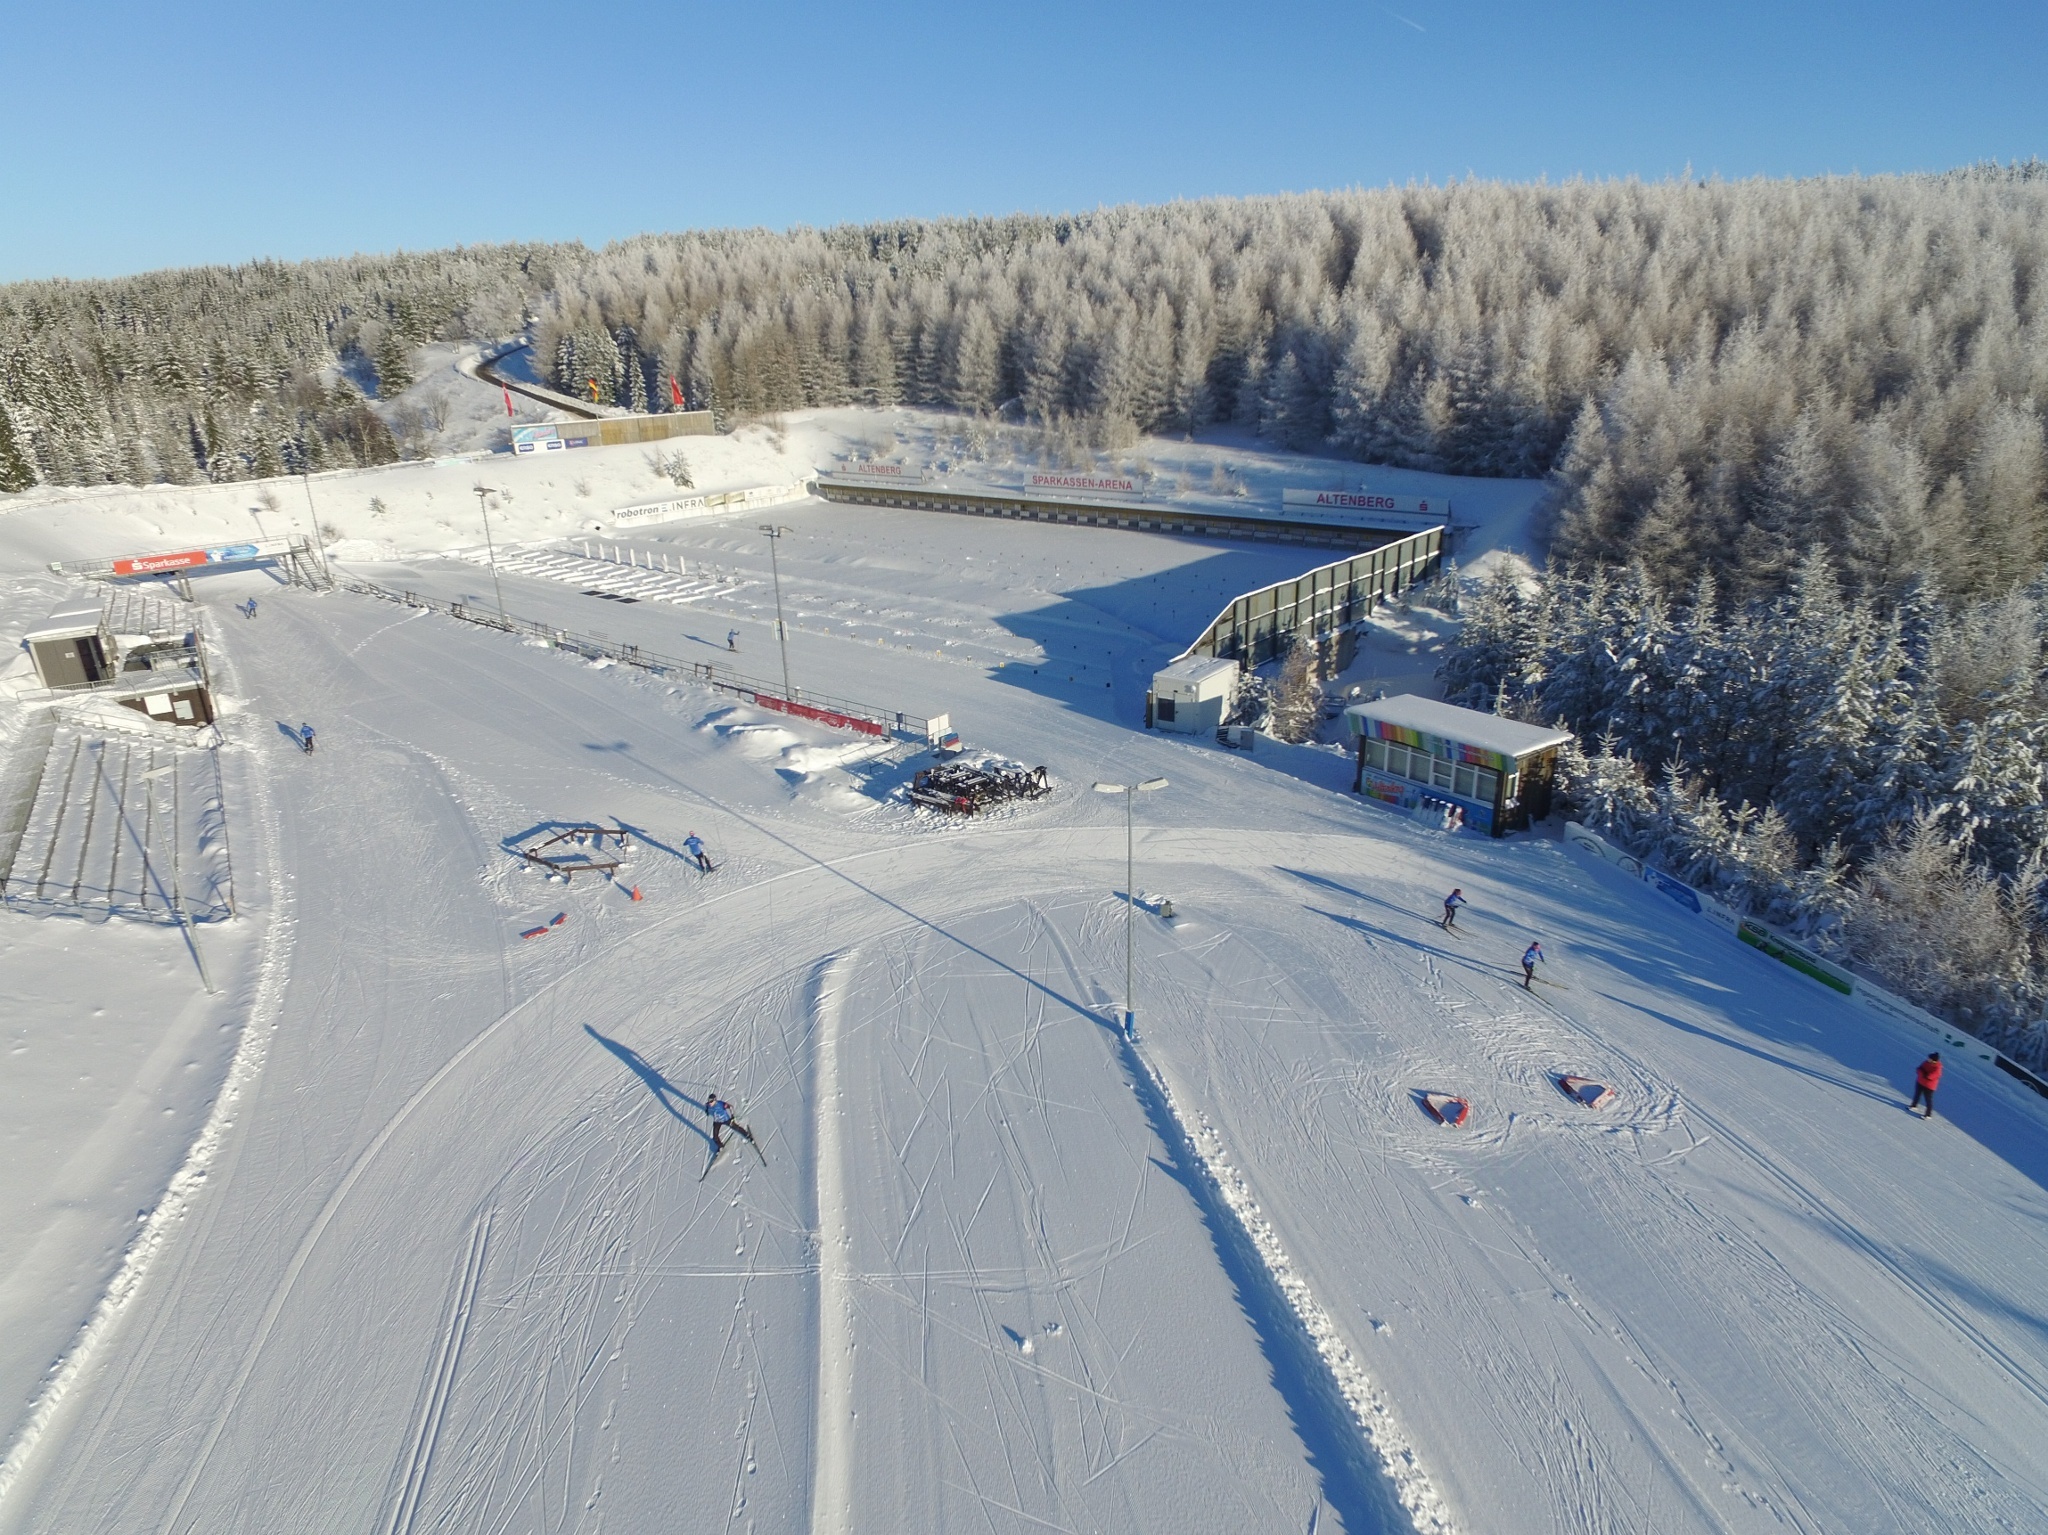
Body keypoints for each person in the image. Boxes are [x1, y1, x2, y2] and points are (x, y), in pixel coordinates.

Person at [1911, 1052, 1942, 1119]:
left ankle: (1928, 1114)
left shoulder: (1938, 1068)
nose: (1928, 1059)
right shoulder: (1926, 1062)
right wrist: (1923, 1073)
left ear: (1934, 1060)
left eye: (1929, 1059)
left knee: (1928, 1100)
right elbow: (1918, 1069)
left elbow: (1930, 1076)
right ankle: (1913, 1105)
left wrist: (1924, 1073)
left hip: (1929, 1086)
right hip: (1920, 1082)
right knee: (1917, 1094)